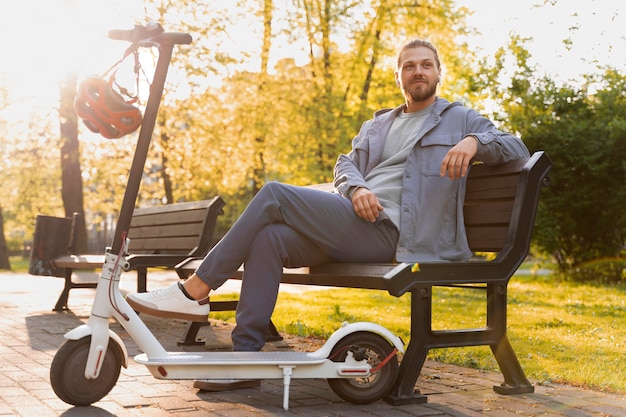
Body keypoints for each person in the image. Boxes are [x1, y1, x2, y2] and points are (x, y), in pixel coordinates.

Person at [127, 38, 529, 354]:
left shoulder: (459, 119)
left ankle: (195, 290)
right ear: (399, 77)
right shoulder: (377, 126)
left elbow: (516, 147)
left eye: (426, 64)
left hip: (396, 235)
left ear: (438, 72)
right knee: (269, 240)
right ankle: (245, 354)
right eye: (409, 66)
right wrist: (356, 188)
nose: (418, 71)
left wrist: (474, 142)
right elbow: (344, 166)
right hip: (357, 223)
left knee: (274, 195)